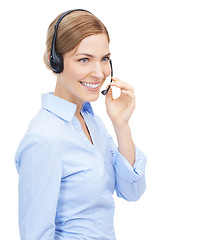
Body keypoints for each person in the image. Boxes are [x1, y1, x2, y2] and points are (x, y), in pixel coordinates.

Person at [15, 9, 146, 240]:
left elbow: (131, 191)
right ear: (54, 61)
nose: (99, 73)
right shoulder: (43, 139)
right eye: (84, 59)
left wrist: (121, 126)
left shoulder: (92, 121)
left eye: (104, 59)